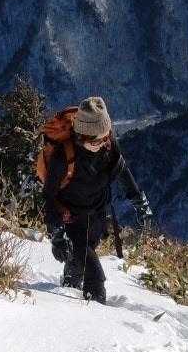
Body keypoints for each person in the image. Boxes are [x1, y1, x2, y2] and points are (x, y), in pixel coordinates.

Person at [42, 97, 152, 304]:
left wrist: (139, 202)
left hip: (98, 211)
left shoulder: (107, 144)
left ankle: (71, 281)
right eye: (96, 141)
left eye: (106, 137)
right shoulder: (63, 157)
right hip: (72, 216)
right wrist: (56, 235)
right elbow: (49, 195)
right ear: (82, 136)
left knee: (85, 250)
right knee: (92, 268)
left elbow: (122, 170)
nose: (103, 144)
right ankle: (95, 305)